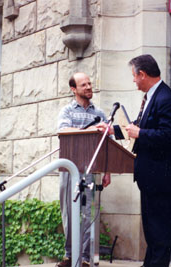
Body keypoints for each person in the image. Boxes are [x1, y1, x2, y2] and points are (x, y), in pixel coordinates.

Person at [97, 54, 171, 267]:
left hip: (161, 178)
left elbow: (169, 135)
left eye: (134, 76)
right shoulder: (151, 97)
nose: (133, 81)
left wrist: (141, 133)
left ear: (142, 74)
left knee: (160, 232)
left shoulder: (166, 98)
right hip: (150, 177)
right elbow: (135, 127)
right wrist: (112, 130)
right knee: (152, 230)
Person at [56, 72, 111, 267]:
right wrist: (90, 130)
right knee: (69, 213)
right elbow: (63, 131)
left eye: (89, 83)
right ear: (74, 89)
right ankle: (70, 255)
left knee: (90, 213)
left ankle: (87, 258)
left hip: (91, 173)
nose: (89, 87)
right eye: (83, 85)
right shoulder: (67, 111)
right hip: (69, 171)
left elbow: (107, 144)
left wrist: (107, 171)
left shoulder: (100, 114)